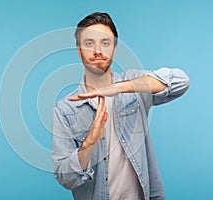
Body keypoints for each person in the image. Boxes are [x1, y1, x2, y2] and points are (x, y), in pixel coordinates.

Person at [52, 12, 190, 200]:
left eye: (105, 43)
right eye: (89, 43)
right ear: (79, 50)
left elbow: (181, 81)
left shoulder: (133, 86)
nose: (97, 50)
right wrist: (89, 143)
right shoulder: (64, 109)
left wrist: (118, 88)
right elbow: (65, 177)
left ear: (114, 48)